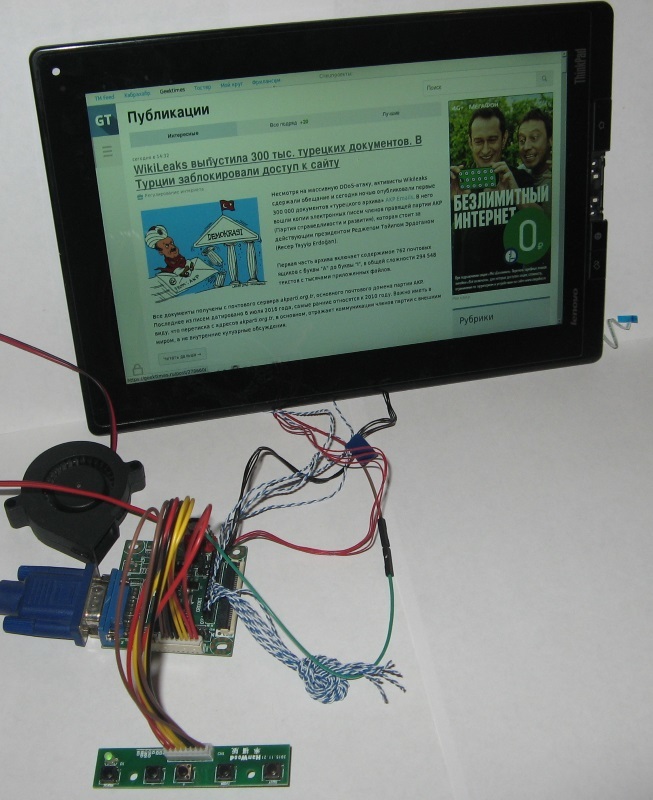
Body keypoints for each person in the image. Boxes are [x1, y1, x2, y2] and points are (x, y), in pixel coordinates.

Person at [450, 106, 534, 284]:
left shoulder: (520, 180)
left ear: (504, 138)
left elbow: (543, 228)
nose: (486, 150)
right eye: (479, 141)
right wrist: (450, 201)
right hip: (466, 289)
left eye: (492, 140)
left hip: (506, 287)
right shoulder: (460, 185)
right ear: (470, 142)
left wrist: (515, 195)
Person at [517, 108, 552, 216]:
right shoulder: (519, 174)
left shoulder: (557, 178)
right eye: (522, 140)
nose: (526, 147)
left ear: (551, 140)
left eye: (534, 138)